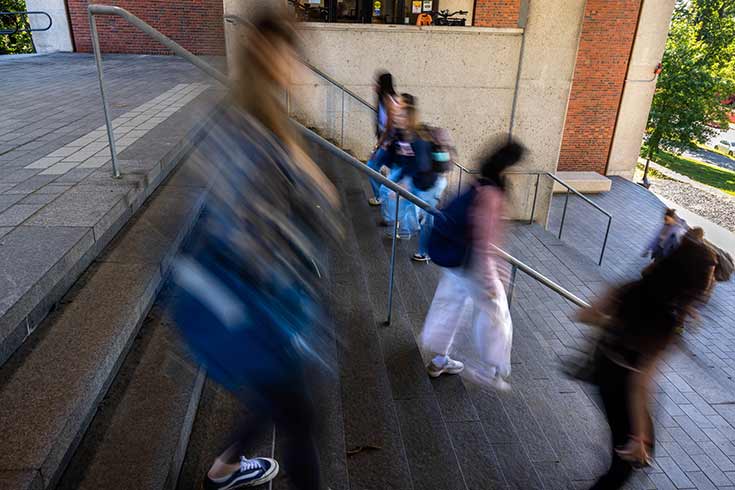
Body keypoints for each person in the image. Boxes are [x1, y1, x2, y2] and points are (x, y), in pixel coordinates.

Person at [168, 12, 341, 490]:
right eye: (294, 55)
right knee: (300, 417)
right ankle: (224, 470)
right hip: (264, 302)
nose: (301, 67)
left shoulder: (258, 120)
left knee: (274, 398)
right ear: (270, 55)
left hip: (263, 300)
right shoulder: (255, 133)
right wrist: (316, 196)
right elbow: (258, 229)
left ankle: (223, 469)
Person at [578, 234, 716, 489]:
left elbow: (585, 314)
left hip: (604, 369)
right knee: (628, 462)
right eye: (708, 278)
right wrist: (639, 436)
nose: (710, 284)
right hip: (624, 384)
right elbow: (640, 383)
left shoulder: (633, 288)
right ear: (690, 282)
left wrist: (619, 325)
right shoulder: (669, 320)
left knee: (628, 452)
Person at [419, 141, 525, 390]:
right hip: (474, 265)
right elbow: (484, 244)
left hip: (456, 259)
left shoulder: (478, 184)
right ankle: (492, 370)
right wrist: (493, 281)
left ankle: (439, 360)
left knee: (449, 306)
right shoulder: (492, 194)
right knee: (496, 312)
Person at [378, 93, 423, 239]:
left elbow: (417, 162)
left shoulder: (415, 135)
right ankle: (396, 224)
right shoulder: (400, 130)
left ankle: (406, 227)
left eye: (400, 103)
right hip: (402, 168)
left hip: (411, 171)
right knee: (388, 192)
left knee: (404, 200)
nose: (396, 106)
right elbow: (395, 150)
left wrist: (405, 181)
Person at [367, 72, 399, 206]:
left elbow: (389, 127)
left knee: (371, 166)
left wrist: (378, 145)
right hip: (388, 144)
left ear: (383, 85)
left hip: (389, 144)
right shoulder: (384, 99)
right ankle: (385, 195)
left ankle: (381, 196)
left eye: (377, 83)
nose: (375, 85)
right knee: (392, 172)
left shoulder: (389, 102)